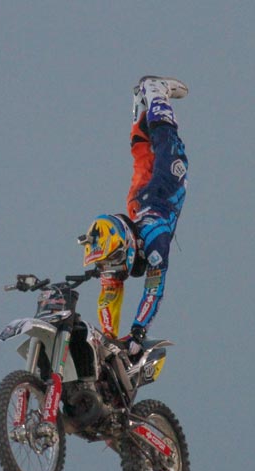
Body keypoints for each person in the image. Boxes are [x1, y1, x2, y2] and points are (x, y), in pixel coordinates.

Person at [79, 76, 189, 357]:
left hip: (162, 196)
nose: (112, 268)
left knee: (170, 148)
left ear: (126, 245)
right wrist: (108, 338)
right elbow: (108, 294)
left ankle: (155, 92)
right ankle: (144, 115)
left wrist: (138, 331)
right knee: (142, 156)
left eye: (113, 260)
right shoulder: (111, 250)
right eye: (108, 262)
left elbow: (154, 289)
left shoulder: (156, 242)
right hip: (136, 203)